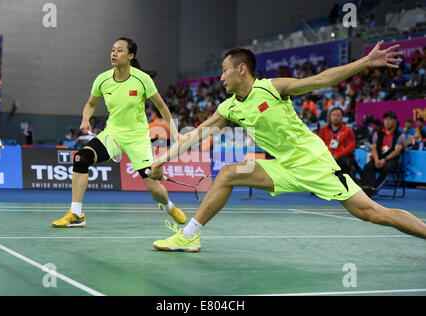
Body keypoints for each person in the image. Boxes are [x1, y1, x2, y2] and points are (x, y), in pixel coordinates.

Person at [149, 42, 426, 252]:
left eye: (224, 71)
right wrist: (163, 159)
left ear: (241, 69)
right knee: (228, 173)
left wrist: (365, 61)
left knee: (372, 213)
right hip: (282, 166)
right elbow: (196, 134)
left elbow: (321, 79)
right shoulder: (229, 107)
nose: (221, 78)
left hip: (313, 163)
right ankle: (188, 236)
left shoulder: (272, 88)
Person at [52, 37, 186, 228]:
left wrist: (175, 132)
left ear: (131, 56)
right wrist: (85, 118)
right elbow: (91, 103)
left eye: (120, 51)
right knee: (81, 158)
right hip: (112, 134)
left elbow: (163, 108)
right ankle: (76, 213)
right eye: (113, 50)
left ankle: (168, 206)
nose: (114, 54)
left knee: (154, 188)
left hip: (138, 138)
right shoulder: (103, 79)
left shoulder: (142, 79)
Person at [360, 111, 406, 196]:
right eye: (385, 119)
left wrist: (384, 160)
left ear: (395, 121)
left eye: (390, 119)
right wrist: (377, 160)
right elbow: (373, 148)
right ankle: (368, 187)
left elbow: (396, 152)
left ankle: (374, 189)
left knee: (387, 168)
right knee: (368, 166)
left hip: (391, 160)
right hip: (379, 158)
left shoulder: (400, 135)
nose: (387, 121)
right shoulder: (377, 133)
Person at [319, 107, 356, 178]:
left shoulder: (348, 130)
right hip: (327, 157)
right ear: (330, 117)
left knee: (343, 162)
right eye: (334, 115)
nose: (336, 117)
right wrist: (330, 155)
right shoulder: (323, 130)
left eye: (338, 115)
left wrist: (337, 155)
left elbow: (351, 146)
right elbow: (320, 145)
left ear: (342, 117)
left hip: (342, 158)